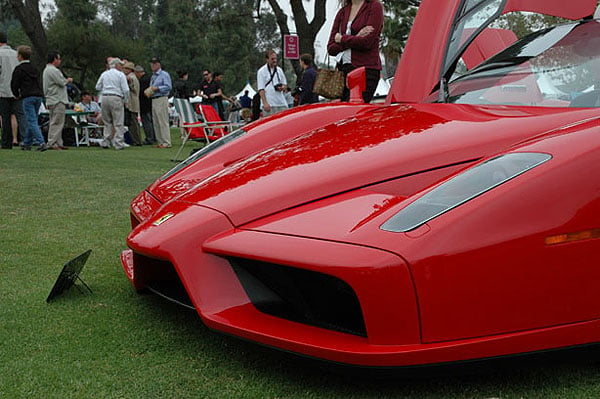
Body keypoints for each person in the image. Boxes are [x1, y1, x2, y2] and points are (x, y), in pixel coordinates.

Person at [327, 0, 383, 103]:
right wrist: (356, 37)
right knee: (343, 113)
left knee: (355, 111)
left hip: (365, 70)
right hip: (342, 72)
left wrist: (342, 39)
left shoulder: (374, 7)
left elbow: (366, 42)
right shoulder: (342, 12)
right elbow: (331, 48)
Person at [10, 45, 47, 151]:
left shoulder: (19, 69)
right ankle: (27, 142)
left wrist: (16, 94)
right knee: (33, 119)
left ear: (20, 56)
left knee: (31, 121)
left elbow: (14, 84)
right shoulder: (34, 68)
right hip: (38, 96)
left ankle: (41, 142)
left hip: (27, 96)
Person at [95, 57, 129, 150]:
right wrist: (126, 100)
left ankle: (106, 141)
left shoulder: (104, 74)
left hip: (105, 97)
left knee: (107, 121)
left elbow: (97, 87)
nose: (122, 66)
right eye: (121, 65)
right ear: (117, 65)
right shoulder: (120, 75)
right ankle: (118, 143)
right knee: (118, 121)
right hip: (116, 97)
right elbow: (126, 90)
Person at [0, 31, 26, 149]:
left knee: (5, 117)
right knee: (20, 116)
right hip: (17, 91)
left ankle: (6, 142)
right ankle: (25, 140)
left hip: (3, 90)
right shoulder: (16, 54)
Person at [43, 51, 72, 150]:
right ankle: (51, 142)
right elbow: (62, 82)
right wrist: (68, 80)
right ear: (54, 59)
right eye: (58, 59)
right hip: (57, 99)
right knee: (57, 122)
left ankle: (58, 142)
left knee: (56, 121)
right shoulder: (53, 70)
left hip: (52, 98)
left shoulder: (47, 70)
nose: (60, 61)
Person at [148, 57, 172, 148]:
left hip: (162, 98)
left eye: (155, 63)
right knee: (156, 121)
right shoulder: (153, 76)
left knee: (163, 120)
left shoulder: (164, 74)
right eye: (152, 64)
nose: (153, 65)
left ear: (159, 64)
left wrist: (157, 88)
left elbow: (168, 86)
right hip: (154, 98)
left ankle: (166, 142)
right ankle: (160, 141)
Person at [256, 49, 288, 117]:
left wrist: (282, 87)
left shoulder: (279, 70)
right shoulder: (262, 71)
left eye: (275, 58)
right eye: (272, 59)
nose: (275, 61)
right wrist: (265, 103)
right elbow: (261, 89)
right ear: (267, 59)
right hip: (270, 103)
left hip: (281, 103)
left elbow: (285, 84)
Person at [134, 65, 155, 144]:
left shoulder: (142, 81)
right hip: (150, 103)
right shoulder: (149, 78)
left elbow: (140, 92)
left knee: (146, 122)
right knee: (151, 121)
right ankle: (153, 137)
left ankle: (149, 138)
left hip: (144, 104)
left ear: (138, 72)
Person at [123, 61, 142, 146]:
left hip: (132, 102)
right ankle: (135, 139)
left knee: (134, 123)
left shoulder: (132, 78)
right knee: (132, 122)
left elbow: (134, 89)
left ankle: (137, 140)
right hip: (132, 102)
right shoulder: (131, 77)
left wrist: (129, 83)